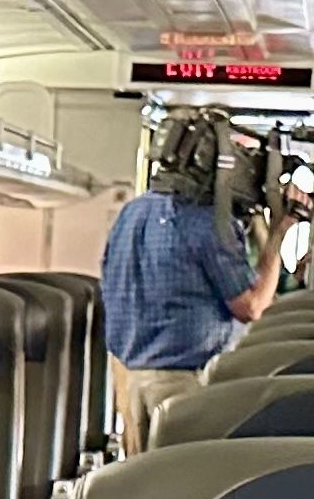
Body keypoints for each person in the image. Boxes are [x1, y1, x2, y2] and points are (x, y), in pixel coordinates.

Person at [101, 171, 277, 457]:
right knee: (182, 488)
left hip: (129, 375)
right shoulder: (209, 222)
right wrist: (277, 233)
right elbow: (252, 306)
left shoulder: (131, 212)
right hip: (181, 384)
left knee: (141, 484)